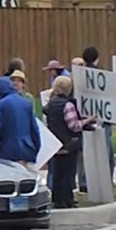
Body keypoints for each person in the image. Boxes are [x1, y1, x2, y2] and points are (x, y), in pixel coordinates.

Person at [42, 75, 98, 208]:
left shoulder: (50, 104)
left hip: (55, 143)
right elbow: (74, 125)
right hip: (68, 142)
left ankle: (57, 199)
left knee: (57, 173)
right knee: (68, 173)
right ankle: (67, 199)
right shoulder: (67, 104)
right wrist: (88, 120)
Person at [0, 74, 40, 167]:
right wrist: (35, 149)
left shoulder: (1, 105)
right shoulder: (26, 103)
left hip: (8, 152)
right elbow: (35, 130)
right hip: (27, 150)